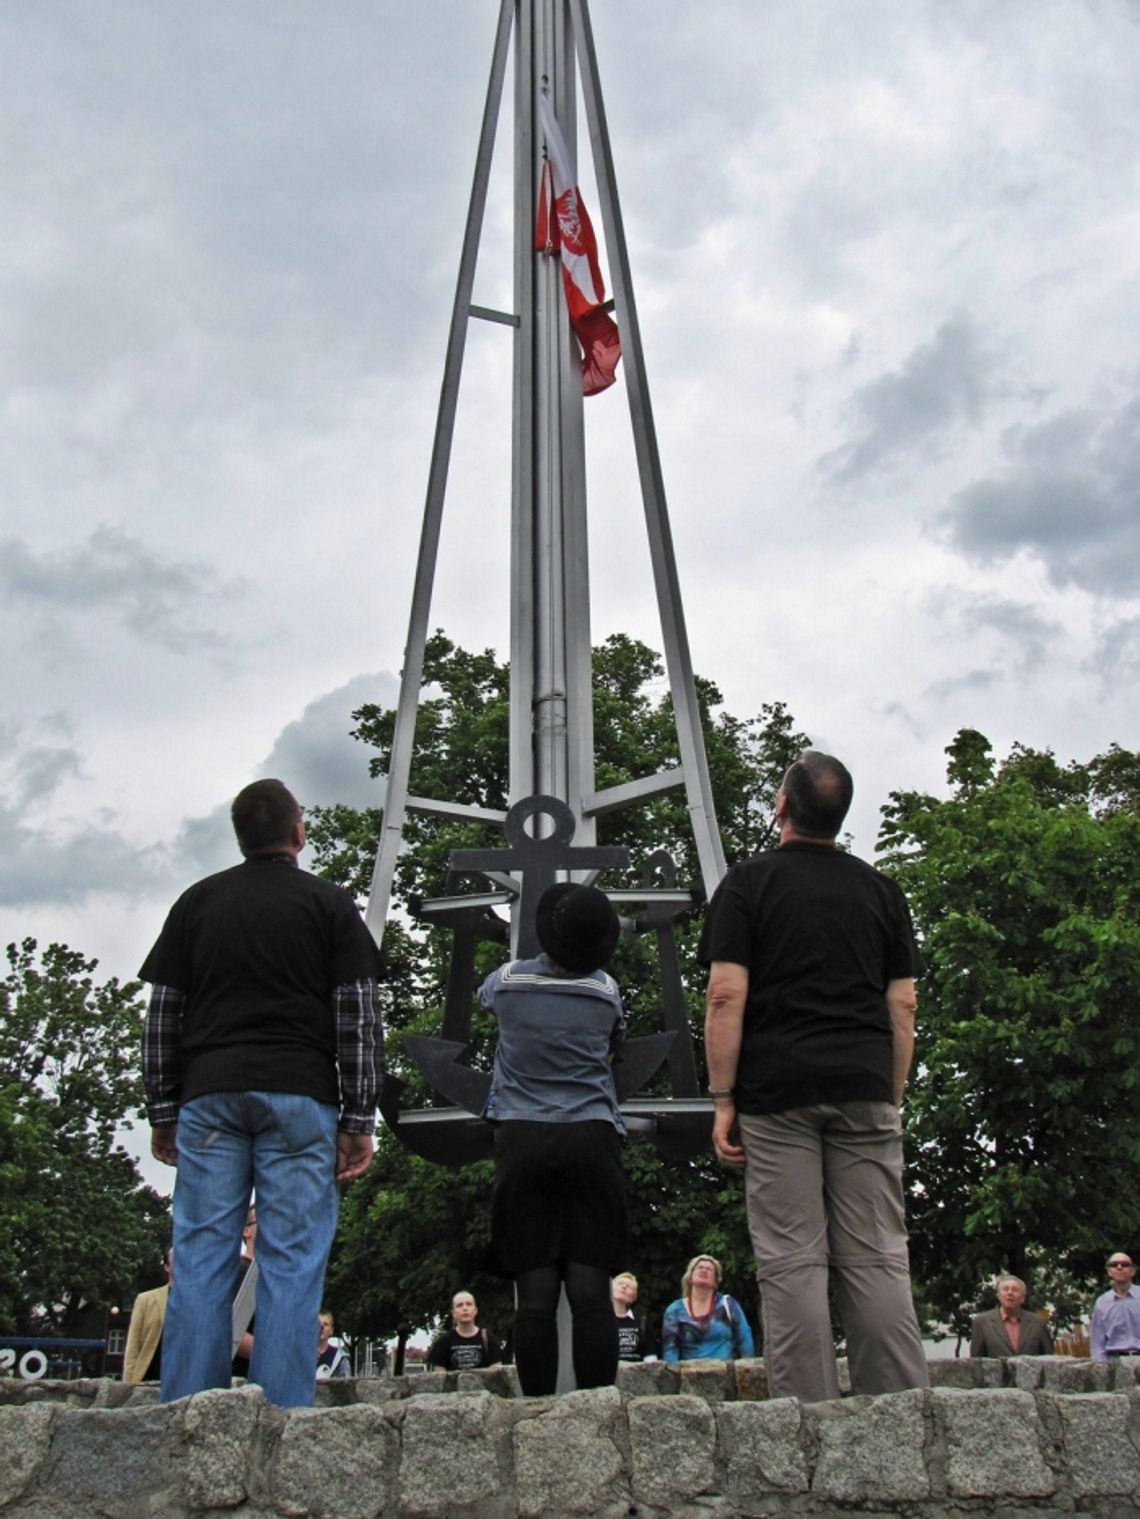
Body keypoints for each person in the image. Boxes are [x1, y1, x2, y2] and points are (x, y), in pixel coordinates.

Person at [141, 778, 383, 1408]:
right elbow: (357, 1017)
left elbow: (163, 1013)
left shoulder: (197, 902)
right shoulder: (329, 905)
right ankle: (279, 1419)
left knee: (199, 1256)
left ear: (239, 836)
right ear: (298, 833)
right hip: (300, 1097)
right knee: (293, 1260)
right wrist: (358, 1117)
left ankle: (188, 1414)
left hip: (210, 1095)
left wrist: (163, 1110)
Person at [699, 751, 929, 1404]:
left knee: (793, 1260)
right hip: (864, 1085)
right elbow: (903, 1004)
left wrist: (722, 1098)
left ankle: (807, 1422)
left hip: (776, 1094)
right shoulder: (881, 890)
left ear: (781, 806)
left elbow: (724, 995)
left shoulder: (747, 885)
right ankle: (901, 1416)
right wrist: (893, 1090)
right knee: (878, 1255)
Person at [481, 881, 628, 1396]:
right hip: (592, 1136)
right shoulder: (606, 990)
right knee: (591, 1292)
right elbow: (615, 1049)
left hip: (523, 1138)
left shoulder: (506, 981)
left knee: (535, 1291)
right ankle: (597, 1409)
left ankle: (537, 1414)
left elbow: (485, 1003)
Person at [661, 1255, 755, 1362]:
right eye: (700, 1267)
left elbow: (745, 1341)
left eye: (709, 1269)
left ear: (716, 1281)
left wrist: (748, 1369)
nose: (704, 1270)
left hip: (726, 1374)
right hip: (689, 1375)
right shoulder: (674, 1310)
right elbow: (670, 1350)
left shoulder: (728, 1305)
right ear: (690, 1277)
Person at [970, 1275, 1054, 1357]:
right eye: (1005, 1289)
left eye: (1015, 1290)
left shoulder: (1038, 1323)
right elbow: (976, 1362)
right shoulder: (982, 1322)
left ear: (1023, 1298)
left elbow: (1048, 1359)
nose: (1010, 1293)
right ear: (998, 1296)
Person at [122, 1245, 172, 1384]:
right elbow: (133, 1344)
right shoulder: (145, 1300)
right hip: (147, 1378)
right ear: (167, 1267)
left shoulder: (199, 1302)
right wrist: (128, 1383)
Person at [426, 1290, 504, 1372]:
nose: (465, 1308)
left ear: (476, 1310)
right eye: (459, 1305)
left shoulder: (489, 1340)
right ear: (453, 1313)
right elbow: (439, 1377)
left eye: (469, 1304)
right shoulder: (443, 1343)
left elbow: (497, 1374)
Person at [1090, 1252, 1140, 1360]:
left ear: (1133, 1271)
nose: (1119, 1267)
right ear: (1109, 1272)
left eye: (1124, 1264)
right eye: (1114, 1264)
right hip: (1115, 1363)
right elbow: (1097, 1343)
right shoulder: (1102, 1302)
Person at [612, 1272, 645, 1362]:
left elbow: (650, 1358)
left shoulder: (642, 1324)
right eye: (620, 1283)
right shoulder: (600, 1321)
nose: (624, 1286)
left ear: (633, 1298)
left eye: (629, 1286)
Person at [316, 1310, 350, 1378]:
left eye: (326, 1324)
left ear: (331, 1330)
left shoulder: (339, 1358)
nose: (321, 1327)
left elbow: (346, 1385)